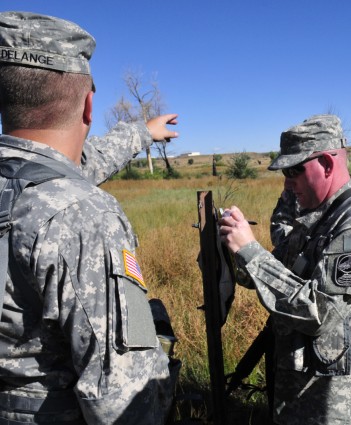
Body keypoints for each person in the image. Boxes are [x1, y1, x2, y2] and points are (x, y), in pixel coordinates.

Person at [0, 11, 179, 424]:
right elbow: (123, 397)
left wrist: (140, 132)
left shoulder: (29, 189)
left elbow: (64, 165)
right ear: (89, 104)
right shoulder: (82, 215)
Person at [219, 114, 351, 425]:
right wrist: (233, 246)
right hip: (303, 400)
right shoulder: (317, 219)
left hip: (342, 407)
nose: (287, 182)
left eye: (294, 170)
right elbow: (276, 274)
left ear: (326, 163)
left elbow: (320, 312)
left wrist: (250, 251)